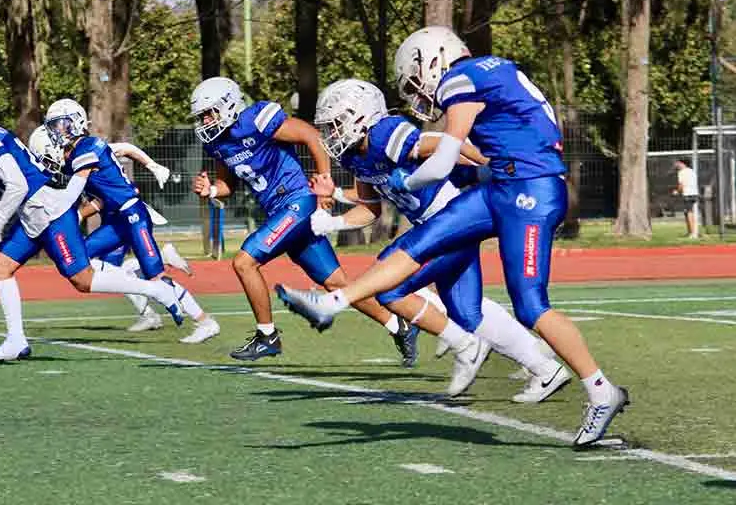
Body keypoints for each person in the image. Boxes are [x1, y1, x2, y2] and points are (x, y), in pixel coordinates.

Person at [275, 27, 628, 447]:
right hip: (502, 185)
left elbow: (444, 154)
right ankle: (332, 301)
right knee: (417, 245)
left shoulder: (462, 78)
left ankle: (600, 390)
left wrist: (412, 180)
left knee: (531, 305)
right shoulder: (481, 74)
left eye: (414, 80)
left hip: (531, 189)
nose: (416, 92)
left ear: (433, 59)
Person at [282, 79, 570, 401]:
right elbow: (371, 210)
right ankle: (545, 369)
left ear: (359, 116)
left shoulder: (384, 133)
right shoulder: (354, 157)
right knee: (466, 312)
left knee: (390, 286)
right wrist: (331, 219)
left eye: (337, 124)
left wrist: (489, 163)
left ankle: (465, 346)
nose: (332, 133)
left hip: (447, 221)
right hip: (434, 225)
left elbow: (444, 142)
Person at [190, 76, 484, 381]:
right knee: (336, 283)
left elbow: (310, 134)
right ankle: (398, 327)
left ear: (228, 105)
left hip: (297, 201)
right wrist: (211, 190)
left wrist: (324, 185)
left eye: (209, 113)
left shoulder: (255, 120)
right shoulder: (217, 142)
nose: (205, 121)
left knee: (244, 261)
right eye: (201, 117)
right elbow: (228, 185)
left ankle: (267, 336)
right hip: (278, 211)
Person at [0, 99, 194, 362]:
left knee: (83, 280)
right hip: (33, 215)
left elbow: (17, 185)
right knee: (0, 268)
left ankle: (157, 290)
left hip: (49, 213)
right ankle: (15, 340)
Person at [43, 99, 220, 345]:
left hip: (133, 215)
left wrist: (153, 166)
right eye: (53, 126)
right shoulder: (76, 152)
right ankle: (141, 270)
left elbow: (77, 188)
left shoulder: (89, 146)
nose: (57, 131)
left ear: (76, 122)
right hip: (117, 220)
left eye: (60, 125)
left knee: (157, 278)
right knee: (80, 257)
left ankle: (204, 321)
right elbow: (123, 151)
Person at [673, 159, 699, 238]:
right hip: (694, 193)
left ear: (682, 163)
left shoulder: (681, 172)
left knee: (689, 212)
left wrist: (677, 191)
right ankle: (690, 232)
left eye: (678, 163)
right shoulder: (691, 171)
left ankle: (693, 233)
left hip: (688, 194)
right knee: (687, 212)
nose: (676, 165)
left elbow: (681, 184)